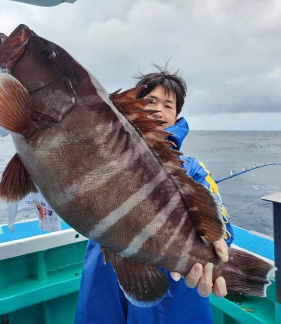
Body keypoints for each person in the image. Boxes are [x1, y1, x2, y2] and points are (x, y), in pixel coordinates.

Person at [74, 67, 234, 324]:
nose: (158, 109)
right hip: (105, 269)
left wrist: (219, 239)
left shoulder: (192, 168)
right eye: (150, 101)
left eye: (168, 105)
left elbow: (219, 215)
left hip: (171, 275)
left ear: (177, 115)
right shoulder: (103, 155)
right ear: (135, 105)